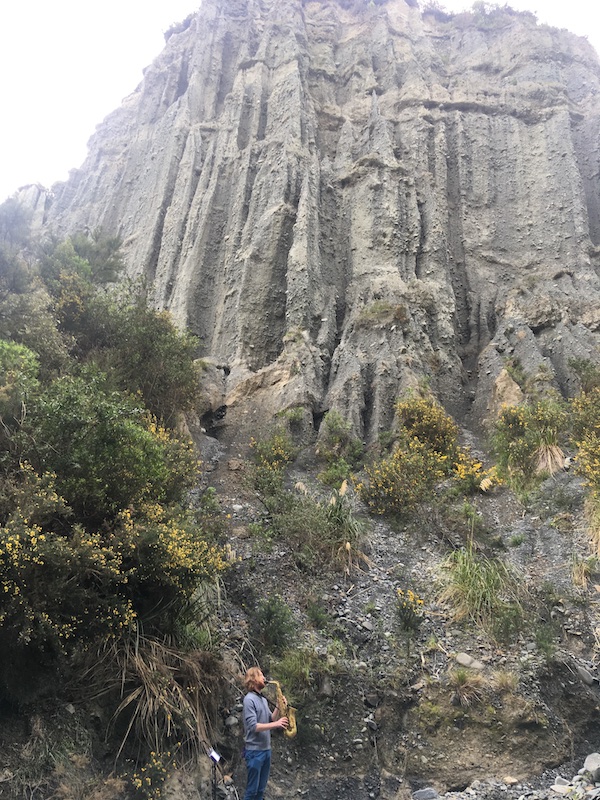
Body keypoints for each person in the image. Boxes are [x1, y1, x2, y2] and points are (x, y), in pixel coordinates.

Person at [242, 666, 288, 800]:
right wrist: (277, 724)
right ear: (253, 679)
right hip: (255, 752)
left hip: (266, 750)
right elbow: (253, 726)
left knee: (261, 791)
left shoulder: (262, 698)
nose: (264, 678)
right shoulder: (249, 700)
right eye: (261, 675)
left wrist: (279, 706)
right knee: (251, 792)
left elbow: (270, 718)